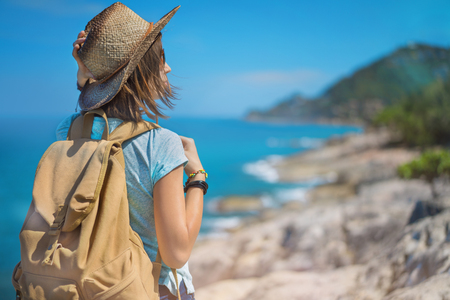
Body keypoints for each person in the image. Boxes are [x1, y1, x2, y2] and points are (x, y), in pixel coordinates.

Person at [56, 3, 204, 300]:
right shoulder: (160, 143)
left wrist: (87, 67)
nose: (168, 67)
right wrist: (198, 176)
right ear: (143, 69)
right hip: (148, 289)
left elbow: (89, 102)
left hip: (90, 285)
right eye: (162, 58)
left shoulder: (70, 131)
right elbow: (176, 253)